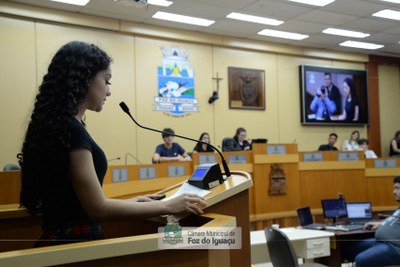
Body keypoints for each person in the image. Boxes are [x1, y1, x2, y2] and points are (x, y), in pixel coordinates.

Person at [18, 41, 206, 247]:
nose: (108, 92)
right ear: (84, 79)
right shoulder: (71, 130)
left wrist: (135, 201)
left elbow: (75, 205)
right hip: (75, 246)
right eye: (107, 81)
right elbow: (97, 209)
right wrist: (169, 206)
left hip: (64, 240)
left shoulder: (61, 126)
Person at [350, 176, 400, 266]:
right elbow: (394, 220)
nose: (394, 192)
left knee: (361, 259)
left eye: (397, 188)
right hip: (381, 242)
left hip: (395, 248)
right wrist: (381, 223)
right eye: (394, 188)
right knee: (350, 248)